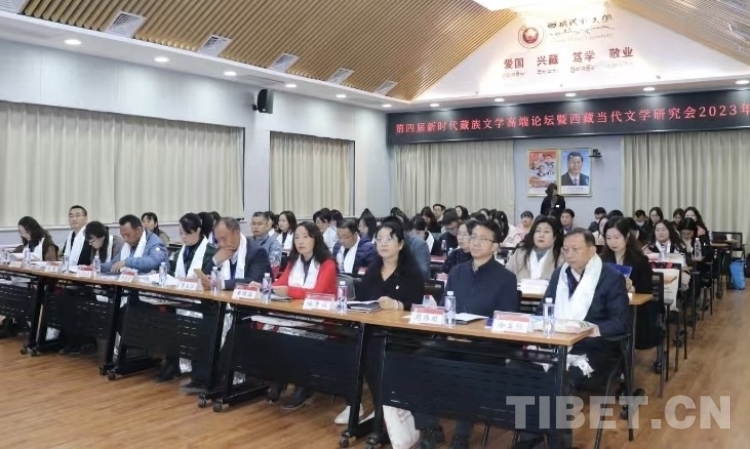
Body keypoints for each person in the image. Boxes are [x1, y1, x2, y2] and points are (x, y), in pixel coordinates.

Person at [516, 229, 629, 449]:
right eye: (565, 249)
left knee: (560, 380)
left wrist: (588, 330)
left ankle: (559, 444)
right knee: (519, 369)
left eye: (575, 249)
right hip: (556, 342)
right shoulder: (560, 274)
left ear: (592, 250)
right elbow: (543, 310)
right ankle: (531, 437)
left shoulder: (611, 277)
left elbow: (620, 322)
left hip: (595, 348)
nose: (569, 254)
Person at [415, 219, 518, 449]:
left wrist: (472, 334)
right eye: (473, 237)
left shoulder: (506, 278)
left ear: (496, 246)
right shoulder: (457, 271)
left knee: (468, 370)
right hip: (452, 340)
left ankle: (462, 435)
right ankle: (430, 427)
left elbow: (505, 321)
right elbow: (445, 308)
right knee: (415, 361)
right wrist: (450, 331)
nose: (476, 242)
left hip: (486, 346)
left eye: (483, 239)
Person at [335, 220, 425, 425]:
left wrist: (398, 305)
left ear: (400, 244)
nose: (383, 243)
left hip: (399, 335)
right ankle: (357, 405)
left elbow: (416, 306)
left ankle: (384, 409)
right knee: (346, 346)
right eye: (379, 239)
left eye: (389, 239)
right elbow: (362, 300)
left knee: (372, 352)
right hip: (372, 329)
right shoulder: (372, 270)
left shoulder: (412, 273)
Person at [268, 221, 337, 409]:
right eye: (297, 237)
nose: (300, 241)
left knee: (291, 335)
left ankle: (303, 386)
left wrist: (289, 291)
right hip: (295, 314)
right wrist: (265, 286)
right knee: (268, 330)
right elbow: (280, 283)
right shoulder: (293, 261)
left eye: (305, 237)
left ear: (316, 239)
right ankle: (279, 377)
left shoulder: (328, 263)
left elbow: (317, 293)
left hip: (322, 320)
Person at [160, 213, 218, 390]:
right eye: (181, 233)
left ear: (198, 231)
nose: (183, 237)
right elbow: (171, 274)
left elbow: (214, 279)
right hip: (180, 300)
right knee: (165, 318)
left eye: (187, 233)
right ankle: (173, 363)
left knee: (201, 328)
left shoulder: (212, 252)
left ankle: (201, 374)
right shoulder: (179, 252)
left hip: (203, 304)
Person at [202, 217, 271, 291]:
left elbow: (253, 281)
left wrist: (221, 284)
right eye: (218, 240)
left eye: (224, 239)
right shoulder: (220, 250)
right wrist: (215, 260)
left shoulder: (257, 252)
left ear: (236, 233)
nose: (221, 244)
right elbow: (205, 278)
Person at [101, 215, 169, 274]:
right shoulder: (127, 245)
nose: (125, 239)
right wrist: (99, 266)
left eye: (128, 235)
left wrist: (127, 262)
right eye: (123, 236)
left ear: (138, 230)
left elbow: (155, 261)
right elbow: (115, 263)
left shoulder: (154, 241)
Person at [506, 216, 564, 281]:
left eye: (546, 231)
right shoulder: (520, 252)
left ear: (554, 237)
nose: (541, 235)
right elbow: (507, 274)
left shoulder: (561, 256)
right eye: (538, 231)